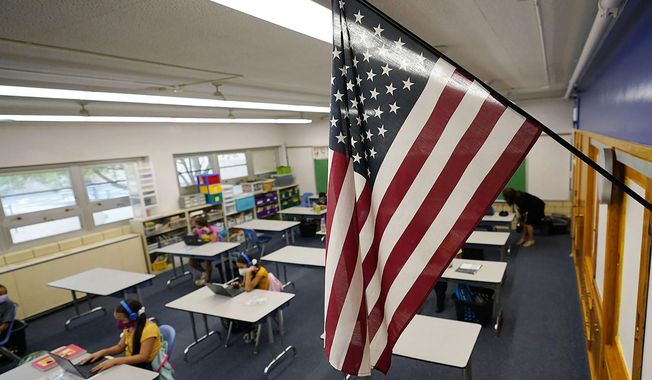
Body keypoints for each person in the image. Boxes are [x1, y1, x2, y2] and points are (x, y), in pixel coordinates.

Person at [80, 299, 162, 373]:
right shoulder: (130, 326)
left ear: (133, 317)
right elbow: (120, 347)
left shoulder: (149, 330)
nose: (119, 324)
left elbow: (143, 357)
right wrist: (102, 352)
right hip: (133, 362)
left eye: (121, 320)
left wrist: (116, 361)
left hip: (147, 366)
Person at [190, 216, 219, 286]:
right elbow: (196, 240)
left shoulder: (212, 228)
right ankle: (205, 272)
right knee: (192, 261)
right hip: (203, 249)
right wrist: (194, 234)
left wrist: (209, 232)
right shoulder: (198, 230)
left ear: (201, 224)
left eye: (197, 225)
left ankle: (207, 280)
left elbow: (214, 240)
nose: (196, 226)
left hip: (215, 249)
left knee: (208, 261)